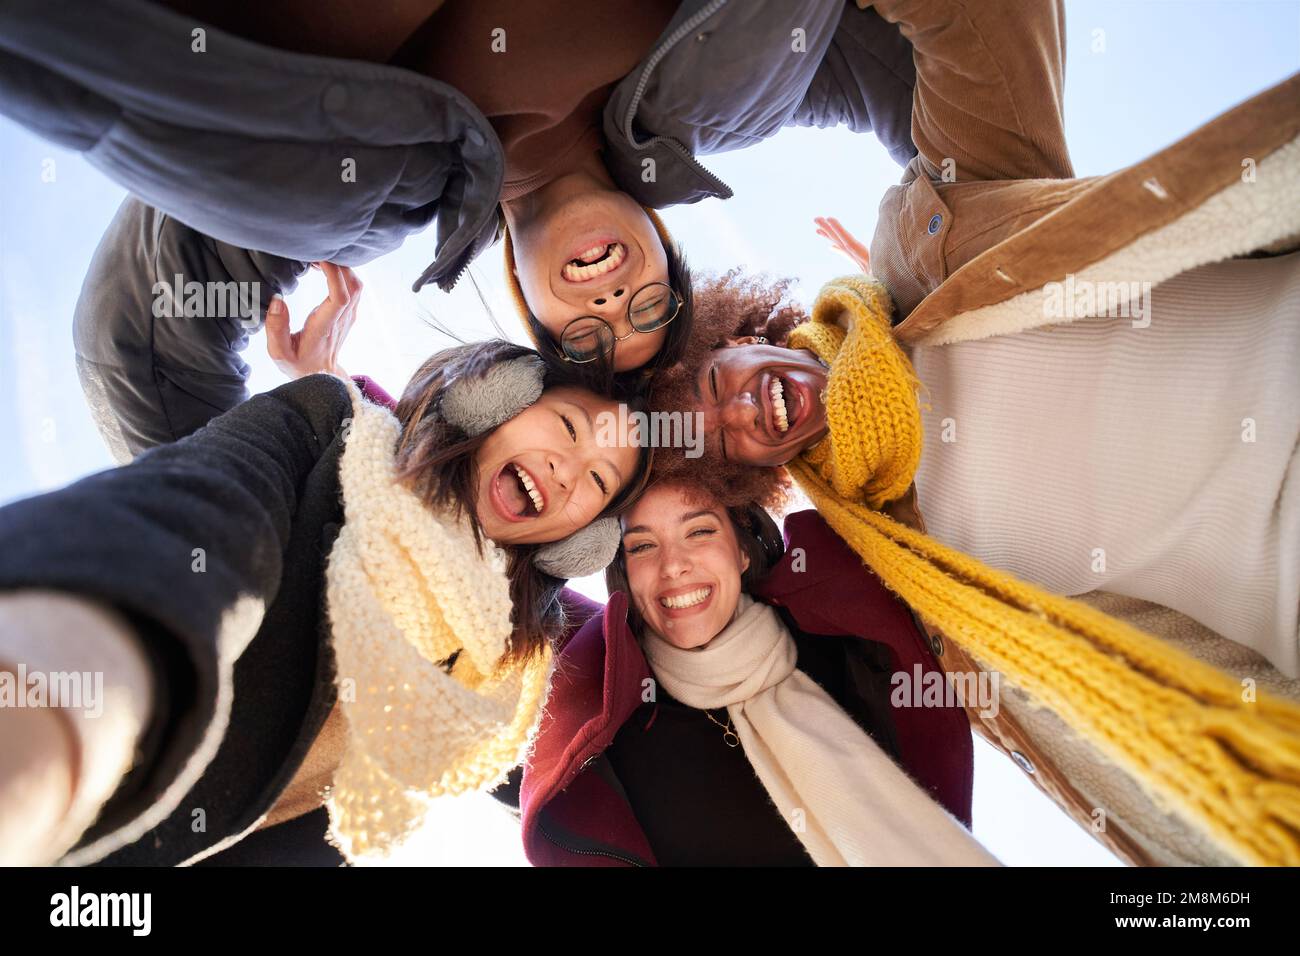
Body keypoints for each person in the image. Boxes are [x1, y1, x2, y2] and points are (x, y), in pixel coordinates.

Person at [0, 0, 919, 456]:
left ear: (527, 302)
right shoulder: (740, 87)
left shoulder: (359, 196)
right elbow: (939, 90)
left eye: (592, 334)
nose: (610, 295)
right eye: (647, 305)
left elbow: (140, 351)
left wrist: (330, 422)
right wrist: (911, 281)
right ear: (666, 240)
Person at [0, 338, 650, 866]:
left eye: (598, 479)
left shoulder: (491, 683)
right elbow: (194, 520)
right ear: (493, 399)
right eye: (567, 426)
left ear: (578, 542)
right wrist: (49, 696)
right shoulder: (330, 429)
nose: (569, 468)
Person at [518, 479, 997, 866]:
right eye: (642, 546)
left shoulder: (842, 639)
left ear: (742, 550)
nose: (674, 566)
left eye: (700, 532)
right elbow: (488, 570)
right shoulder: (603, 696)